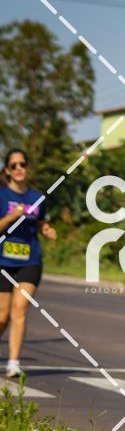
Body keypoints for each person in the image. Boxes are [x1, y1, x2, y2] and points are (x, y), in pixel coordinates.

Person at [0, 149, 56, 378]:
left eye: (22, 164)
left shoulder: (37, 197)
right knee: (2, 316)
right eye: (14, 165)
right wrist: (11, 217)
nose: (19, 168)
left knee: (20, 308)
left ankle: (13, 362)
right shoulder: (2, 196)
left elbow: (40, 221)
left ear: (27, 167)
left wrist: (46, 229)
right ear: (7, 170)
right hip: (2, 261)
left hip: (30, 260)